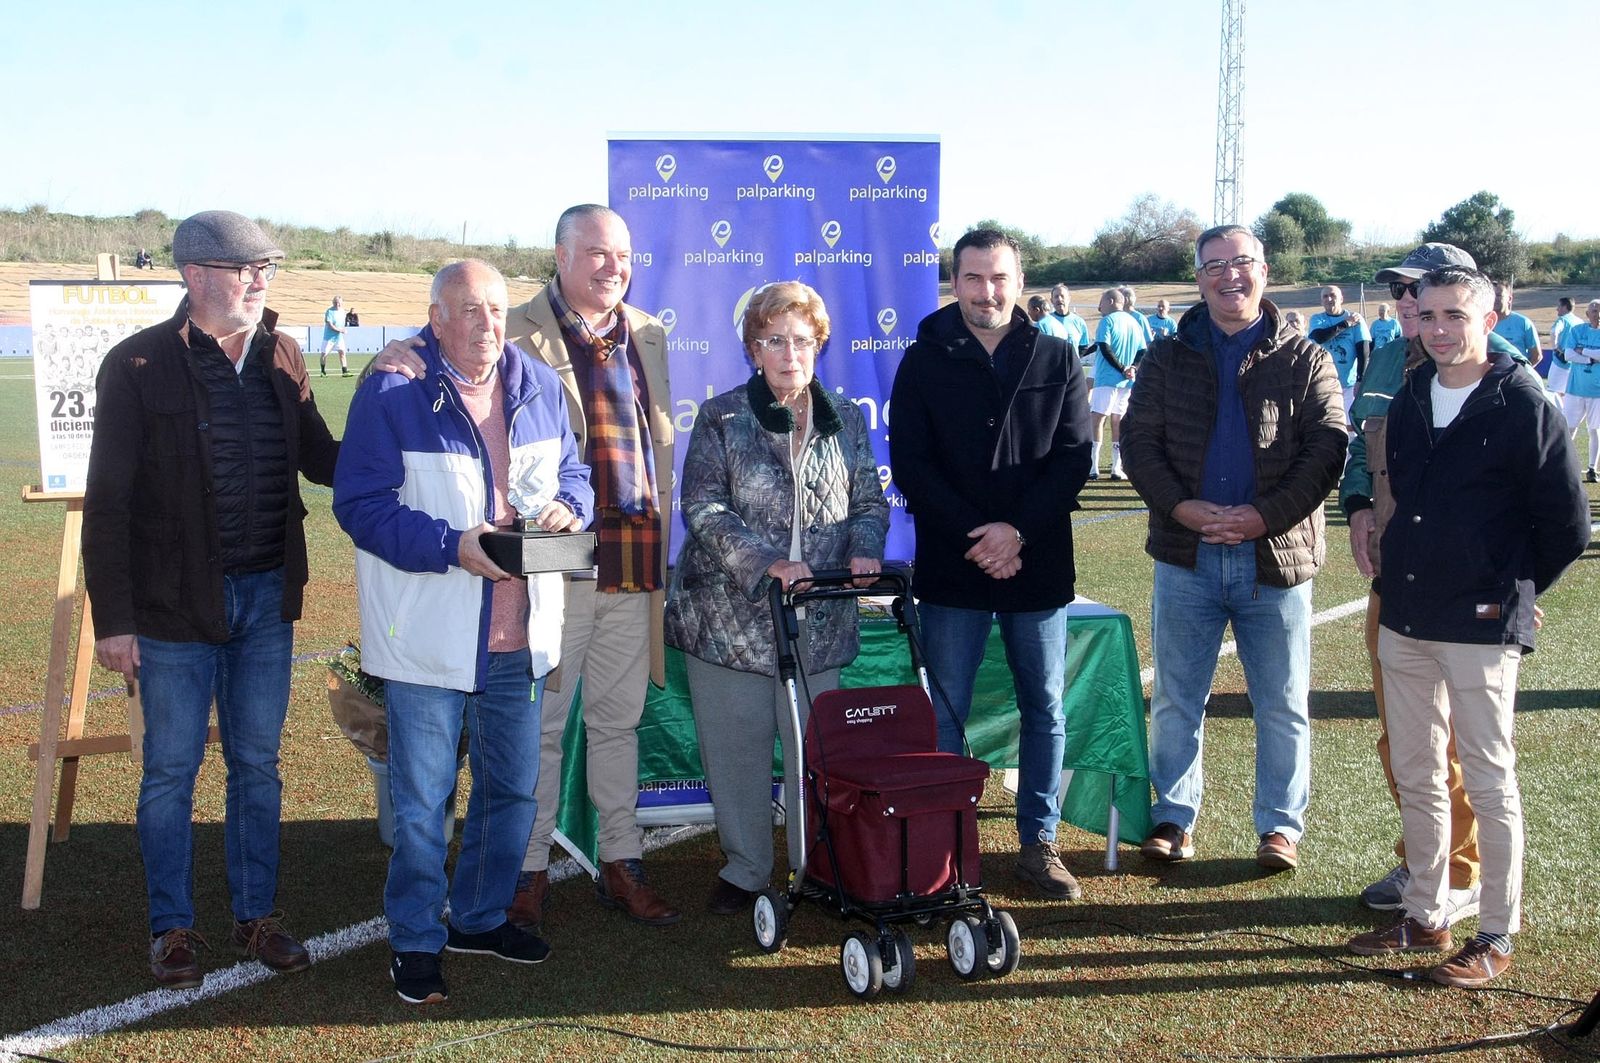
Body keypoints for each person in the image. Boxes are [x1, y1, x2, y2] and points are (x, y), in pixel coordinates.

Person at [376, 204, 678, 931]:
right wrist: (407, 348)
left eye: (624, 255)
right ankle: (527, 867)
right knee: (540, 728)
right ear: (561, 254)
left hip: (632, 562)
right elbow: (451, 334)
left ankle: (621, 860)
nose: (614, 267)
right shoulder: (512, 325)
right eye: (599, 253)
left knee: (617, 721)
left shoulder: (649, 332)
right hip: (551, 568)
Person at [82, 210, 333, 988]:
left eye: (268, 268)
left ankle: (256, 914)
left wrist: (400, 418)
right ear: (195, 276)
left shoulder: (284, 355)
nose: (261, 280)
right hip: (170, 609)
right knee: (170, 770)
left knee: (257, 764)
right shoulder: (137, 365)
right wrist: (115, 620)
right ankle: (173, 928)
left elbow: (323, 458)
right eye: (245, 268)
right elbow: (109, 504)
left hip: (265, 599)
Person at [333, 259, 593, 1005]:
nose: (484, 324)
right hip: (431, 636)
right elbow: (360, 505)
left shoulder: (538, 385)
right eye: (467, 311)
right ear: (436, 318)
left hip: (522, 634)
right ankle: (416, 938)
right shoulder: (393, 388)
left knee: (510, 790)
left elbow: (574, 474)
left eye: (493, 308)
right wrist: (453, 545)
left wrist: (570, 510)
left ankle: (478, 916)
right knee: (422, 802)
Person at [1347, 265, 1587, 986]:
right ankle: (1426, 912)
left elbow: (1567, 524)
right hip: (1408, 613)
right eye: (1430, 315)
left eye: (1457, 314)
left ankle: (1496, 931)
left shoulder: (1522, 400)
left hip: (1480, 625)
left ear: (1491, 319)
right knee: (1418, 771)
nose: (1441, 327)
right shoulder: (1416, 391)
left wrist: (1514, 591)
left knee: (1488, 777)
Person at [1121, 224, 1346, 870]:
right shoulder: (1165, 357)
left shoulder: (1306, 357)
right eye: (1214, 265)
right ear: (1198, 279)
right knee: (1175, 697)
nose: (1229, 275)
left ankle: (1279, 827)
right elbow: (1140, 444)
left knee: (1280, 701)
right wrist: (1183, 508)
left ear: (1265, 271)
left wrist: (1261, 517)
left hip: (1274, 560)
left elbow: (1326, 448)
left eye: (1241, 262)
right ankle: (1173, 816)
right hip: (1185, 555)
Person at [664, 282, 888, 914]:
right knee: (735, 752)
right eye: (773, 340)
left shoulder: (844, 419)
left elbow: (870, 502)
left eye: (800, 339)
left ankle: (814, 864)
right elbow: (703, 507)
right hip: (728, 621)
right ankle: (745, 868)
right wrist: (766, 564)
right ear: (753, 349)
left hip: (818, 621)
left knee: (815, 754)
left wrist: (864, 546)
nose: (789, 353)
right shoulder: (722, 417)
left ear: (819, 344)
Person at [889, 228, 1093, 900]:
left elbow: (1072, 460)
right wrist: (980, 536)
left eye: (999, 277)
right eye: (974, 278)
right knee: (946, 708)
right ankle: (944, 847)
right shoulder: (921, 360)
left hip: (1036, 564)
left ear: (1019, 279)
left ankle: (1039, 842)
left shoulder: (1058, 356)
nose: (987, 291)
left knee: (1045, 706)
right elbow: (913, 464)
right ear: (955, 282)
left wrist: (1017, 532)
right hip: (954, 563)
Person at [1342, 242, 1504, 922]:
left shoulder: (1493, 375)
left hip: (1465, 587)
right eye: (1402, 292)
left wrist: (1520, 583)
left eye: (1423, 293)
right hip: (1395, 580)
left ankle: (1462, 873)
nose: (1409, 304)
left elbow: (1539, 497)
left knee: (1462, 741)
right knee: (1403, 734)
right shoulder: (1386, 357)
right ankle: (1423, 858)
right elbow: (1359, 442)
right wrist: (1354, 507)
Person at [1087, 287, 1144, 481]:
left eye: (1101, 301)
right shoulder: (1134, 322)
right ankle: (1116, 467)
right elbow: (1142, 350)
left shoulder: (1107, 321)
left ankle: (1093, 466)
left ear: (1111, 301)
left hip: (1107, 378)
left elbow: (1104, 346)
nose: (1099, 306)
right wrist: (1132, 369)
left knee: (1097, 418)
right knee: (1118, 421)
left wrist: (1121, 368)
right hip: (1127, 381)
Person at [1307, 285, 1372, 429]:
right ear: (1321, 301)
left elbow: (1364, 351)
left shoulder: (1356, 319)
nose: (1329, 299)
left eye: (1333, 295)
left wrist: (1360, 379)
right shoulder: (1317, 319)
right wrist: (1346, 324)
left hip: (1348, 383)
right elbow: (1320, 337)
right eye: (1325, 296)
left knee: (1350, 426)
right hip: (1323, 382)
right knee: (1327, 424)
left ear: (1341, 299)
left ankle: (1350, 452)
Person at [1560, 298, 1600, 482]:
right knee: (1568, 427)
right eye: (1594, 310)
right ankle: (1563, 463)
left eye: (1599, 310)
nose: (1597, 314)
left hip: (1597, 391)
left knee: (1595, 430)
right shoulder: (1577, 330)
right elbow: (1568, 354)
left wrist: (1582, 351)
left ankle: (1592, 468)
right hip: (1575, 388)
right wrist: (1591, 358)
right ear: (1587, 314)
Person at [1491, 280, 1541, 367]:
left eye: (1499, 295)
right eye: (1492, 295)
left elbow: (1536, 356)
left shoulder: (1523, 323)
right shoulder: (1481, 323)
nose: (1495, 299)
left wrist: (1521, 373)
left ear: (1509, 299)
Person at [1547, 296, 1580, 400]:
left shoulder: (1562, 320)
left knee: (1553, 393)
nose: (1557, 309)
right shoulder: (1579, 322)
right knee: (1568, 394)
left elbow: (1554, 332)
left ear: (1565, 307)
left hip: (1560, 362)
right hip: (1574, 364)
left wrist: (1556, 348)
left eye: (1559, 306)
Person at [1045, 283, 1092, 350]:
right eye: (1056, 297)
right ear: (1052, 301)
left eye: (1062, 296)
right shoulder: (1046, 321)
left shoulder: (1079, 321)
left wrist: (1073, 359)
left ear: (1068, 299)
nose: (1059, 299)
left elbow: (1083, 347)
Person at [322, 296, 348, 376]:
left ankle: (345, 371)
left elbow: (342, 324)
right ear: (333, 303)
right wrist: (341, 330)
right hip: (329, 337)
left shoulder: (343, 311)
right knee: (324, 354)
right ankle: (322, 371)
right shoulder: (329, 311)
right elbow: (330, 325)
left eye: (339, 303)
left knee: (342, 353)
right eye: (336, 302)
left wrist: (343, 329)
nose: (337, 304)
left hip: (338, 337)